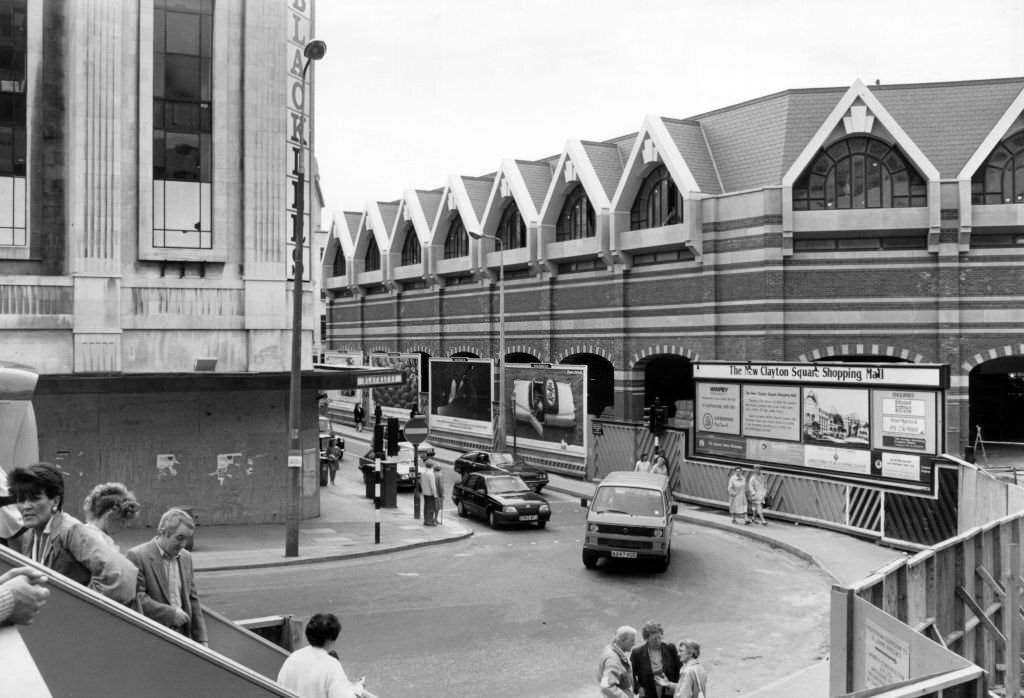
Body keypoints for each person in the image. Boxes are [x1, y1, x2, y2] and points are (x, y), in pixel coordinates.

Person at [9, 464, 138, 605]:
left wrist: (81, 608)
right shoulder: (30, 535)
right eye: (21, 500)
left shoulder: (70, 530)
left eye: (35, 499)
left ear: (55, 501)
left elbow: (122, 576)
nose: (26, 506)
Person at [126, 507, 208, 645]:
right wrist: (170, 614)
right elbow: (137, 599)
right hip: (154, 636)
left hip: (183, 635)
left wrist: (201, 639)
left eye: (187, 539)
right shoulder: (137, 556)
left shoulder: (186, 557)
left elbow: (193, 600)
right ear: (163, 532)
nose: (183, 545)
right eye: (179, 538)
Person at [277, 612, 376, 698]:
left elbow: (279, 688)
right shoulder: (331, 665)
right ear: (331, 639)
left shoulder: (293, 658)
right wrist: (357, 689)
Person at [631, 620, 681, 698]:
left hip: (669, 690)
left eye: (659, 638)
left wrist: (675, 685)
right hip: (648, 692)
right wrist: (638, 688)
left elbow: (680, 669)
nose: (658, 641)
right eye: (654, 639)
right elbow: (630, 674)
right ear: (646, 638)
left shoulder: (670, 648)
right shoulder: (637, 653)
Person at [598, 625, 636, 697]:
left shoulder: (612, 649)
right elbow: (606, 686)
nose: (634, 643)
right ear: (622, 640)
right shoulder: (613, 659)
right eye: (632, 640)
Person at [420, 456, 437, 527]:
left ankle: (426, 520)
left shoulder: (423, 472)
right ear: (432, 465)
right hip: (430, 493)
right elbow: (433, 485)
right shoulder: (431, 474)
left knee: (426, 506)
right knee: (430, 508)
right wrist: (435, 495)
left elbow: (421, 482)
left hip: (425, 492)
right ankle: (429, 521)